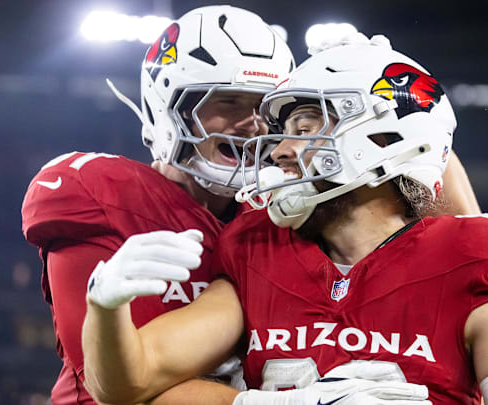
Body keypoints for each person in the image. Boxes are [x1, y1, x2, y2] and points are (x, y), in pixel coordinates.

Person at [81, 38, 488, 404]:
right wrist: (104, 307)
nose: (282, 152)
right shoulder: (260, 250)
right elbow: (130, 384)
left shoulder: (472, 257)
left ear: (380, 137)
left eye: (305, 129)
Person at [21, 6, 295, 404]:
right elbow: (116, 386)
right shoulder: (99, 195)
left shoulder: (279, 214)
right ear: (170, 109)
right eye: (231, 101)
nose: (252, 124)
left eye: (263, 106)